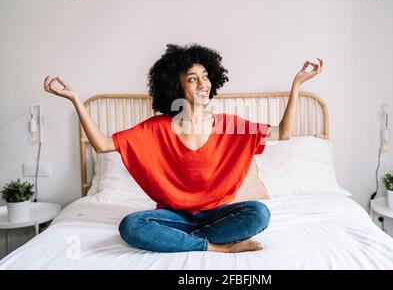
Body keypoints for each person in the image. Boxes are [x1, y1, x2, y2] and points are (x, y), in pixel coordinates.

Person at [43, 43, 323, 253]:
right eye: (192, 78)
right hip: (173, 217)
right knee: (131, 226)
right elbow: (102, 144)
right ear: (176, 87)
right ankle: (215, 247)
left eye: (205, 76)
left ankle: (187, 240)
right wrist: (75, 99)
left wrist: (296, 84)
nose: (202, 84)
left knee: (259, 214)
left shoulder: (229, 125)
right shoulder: (156, 128)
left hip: (216, 214)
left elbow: (284, 133)